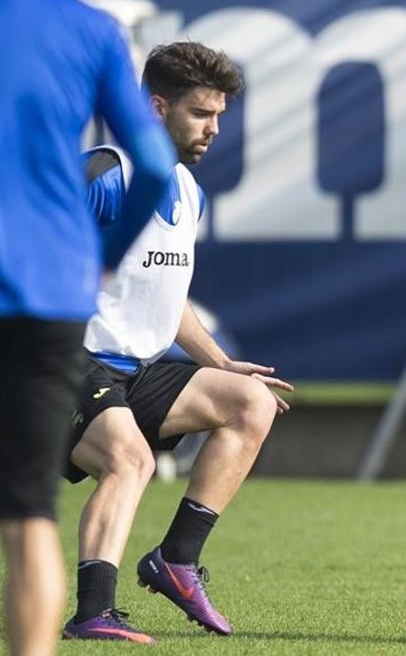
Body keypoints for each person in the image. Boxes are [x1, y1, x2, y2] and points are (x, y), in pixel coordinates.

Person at [58, 42, 293, 644]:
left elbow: (166, 295)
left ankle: (176, 561)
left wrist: (219, 362)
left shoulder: (187, 191)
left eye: (219, 115)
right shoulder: (103, 174)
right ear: (157, 106)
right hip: (67, 363)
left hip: (138, 369)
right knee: (129, 460)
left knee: (251, 402)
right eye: (200, 113)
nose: (214, 128)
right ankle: (92, 613)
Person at [0, 0, 176, 653]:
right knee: (27, 518)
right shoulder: (90, 27)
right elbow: (154, 163)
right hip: (48, 289)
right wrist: (99, 257)